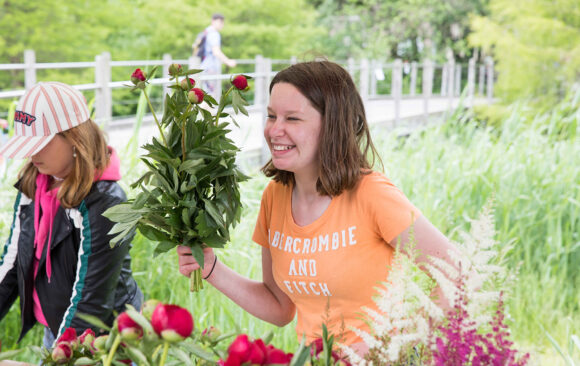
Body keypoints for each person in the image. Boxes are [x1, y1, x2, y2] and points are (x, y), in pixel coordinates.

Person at [177, 61, 458, 356]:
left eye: (293, 119)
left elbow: (458, 273)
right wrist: (211, 270)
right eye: (271, 116)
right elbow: (280, 307)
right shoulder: (275, 196)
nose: (275, 130)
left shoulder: (372, 194)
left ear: (332, 125)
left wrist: (395, 347)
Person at [0, 82, 143, 349]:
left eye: (40, 143)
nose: (32, 154)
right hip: (57, 330)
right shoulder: (34, 183)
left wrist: (60, 354)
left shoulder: (107, 202)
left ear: (74, 136)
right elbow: (13, 260)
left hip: (106, 340)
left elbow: (92, 298)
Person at [196, 13, 237, 97]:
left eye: (222, 22)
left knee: (207, 95)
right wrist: (228, 61)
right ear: (213, 21)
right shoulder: (214, 34)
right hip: (210, 68)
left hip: (204, 67)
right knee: (211, 96)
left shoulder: (206, 31)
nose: (222, 24)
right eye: (220, 22)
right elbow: (216, 51)